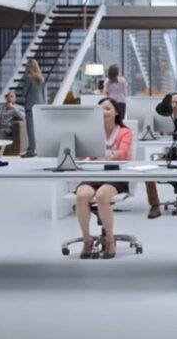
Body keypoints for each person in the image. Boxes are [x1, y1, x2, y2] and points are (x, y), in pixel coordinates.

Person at [74, 97, 133, 259]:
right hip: (95, 173)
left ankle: (110, 240)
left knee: (101, 195)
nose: (103, 112)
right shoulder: (93, 132)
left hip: (117, 175)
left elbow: (123, 154)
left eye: (107, 109)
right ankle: (87, 240)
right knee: (81, 195)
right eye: (100, 109)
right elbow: (85, 153)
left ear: (116, 112)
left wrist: (108, 153)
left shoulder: (124, 132)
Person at [21, 59, 46, 157]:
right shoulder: (41, 78)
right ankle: (39, 149)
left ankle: (31, 151)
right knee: (38, 129)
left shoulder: (28, 78)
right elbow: (43, 94)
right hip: (40, 105)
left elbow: (24, 93)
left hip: (30, 106)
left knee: (31, 130)